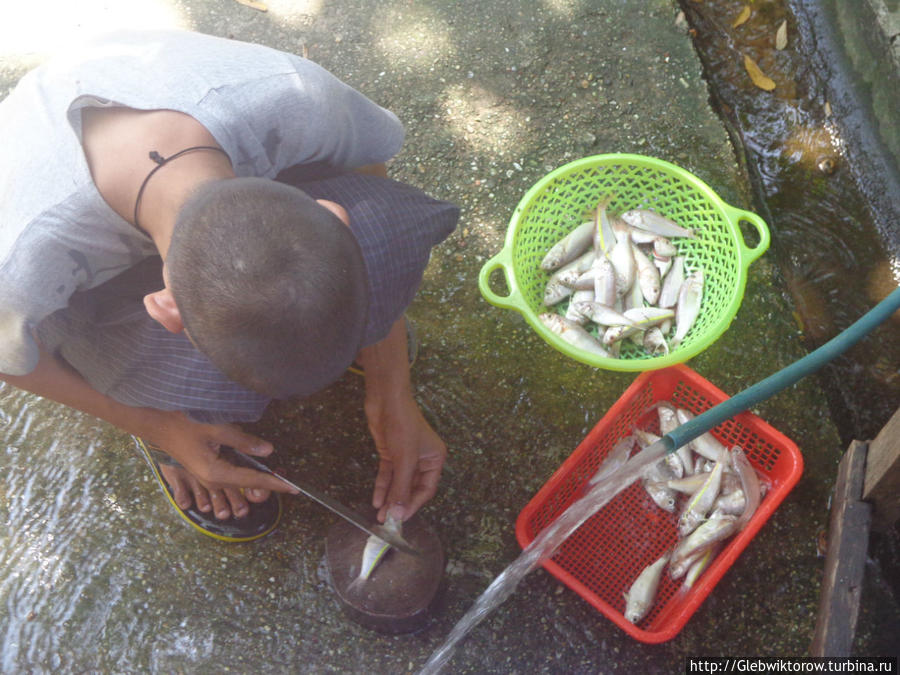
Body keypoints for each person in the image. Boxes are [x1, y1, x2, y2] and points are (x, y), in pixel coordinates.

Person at [0, 29, 459, 541]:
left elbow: (372, 179)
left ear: (331, 214)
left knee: (389, 237)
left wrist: (391, 387)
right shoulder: (20, 260)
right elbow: (13, 362)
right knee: (204, 388)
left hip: (199, 161)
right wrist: (160, 428)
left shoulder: (299, 100)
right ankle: (172, 414)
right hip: (78, 279)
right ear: (165, 308)